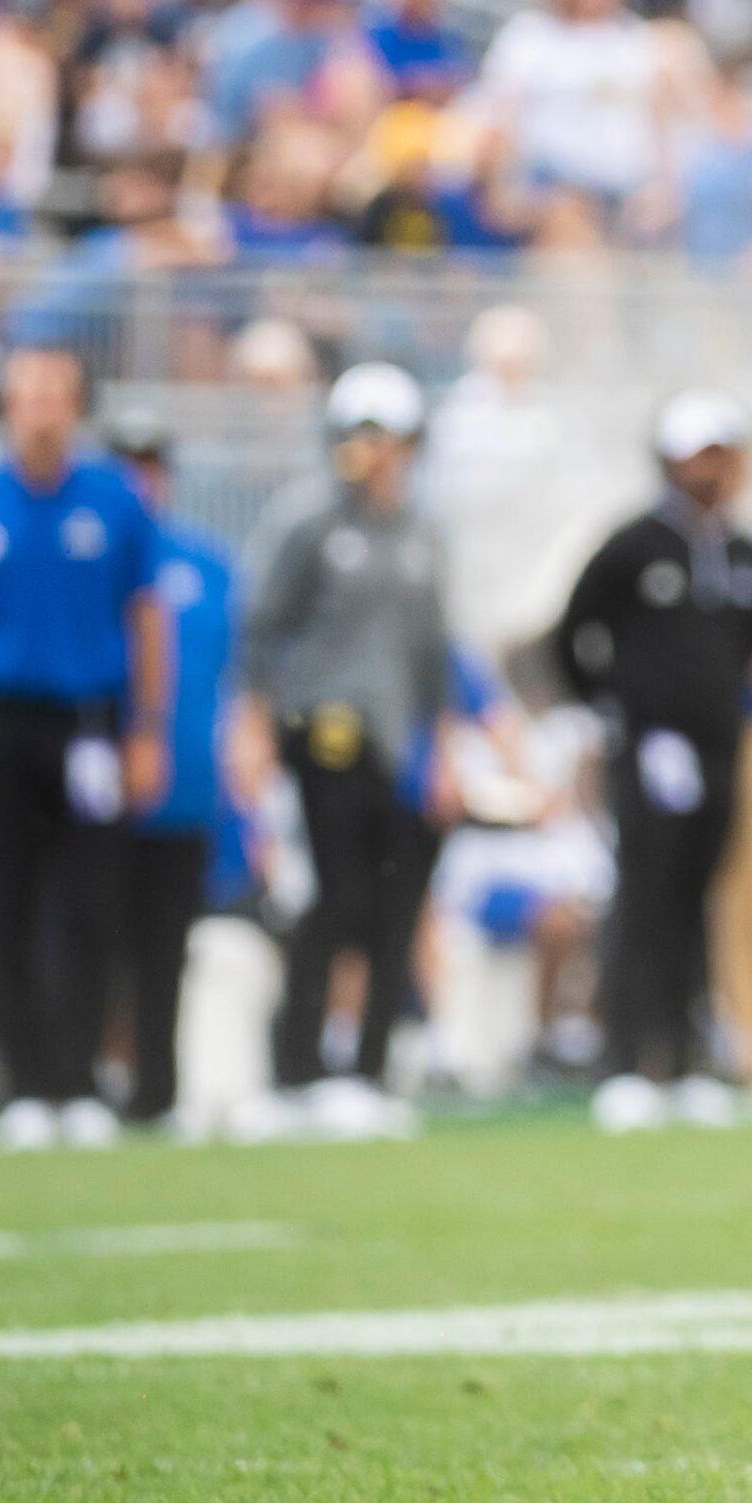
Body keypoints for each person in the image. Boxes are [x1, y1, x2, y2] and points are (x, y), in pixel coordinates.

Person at [551, 392, 752, 1126]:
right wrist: (615, 706)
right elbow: (573, 631)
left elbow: (751, 644)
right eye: (699, 454)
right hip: (652, 747)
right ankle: (630, 1058)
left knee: (700, 899)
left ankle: (689, 1056)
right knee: (645, 898)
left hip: (719, 747)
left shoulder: (746, 554)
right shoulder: (633, 545)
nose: (711, 469)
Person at [238, 362, 454, 1110]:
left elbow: (435, 656)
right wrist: (254, 725)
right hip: (324, 729)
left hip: (399, 746)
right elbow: (261, 628)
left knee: (393, 908)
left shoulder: (423, 533)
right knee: (335, 896)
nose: (376, 453)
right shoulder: (309, 520)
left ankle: (367, 1069)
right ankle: (297, 1071)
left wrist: (445, 752)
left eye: (390, 437)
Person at [0, 347, 171, 1149]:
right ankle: (25, 1083)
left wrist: (147, 730)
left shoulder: (114, 502)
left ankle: (79, 1077)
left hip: (88, 722)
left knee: (86, 905)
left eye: (57, 393)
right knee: (5, 905)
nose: (41, 408)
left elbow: (147, 617)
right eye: (28, 394)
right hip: (0, 722)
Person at [109, 412, 240, 1126]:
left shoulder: (208, 564)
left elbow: (240, 677)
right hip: (97, 789)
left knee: (166, 947)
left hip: (188, 786)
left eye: (151, 463)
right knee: (90, 939)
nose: (140, 477)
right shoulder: (91, 553)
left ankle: (156, 1090)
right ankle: (81, 1081)